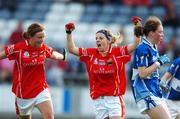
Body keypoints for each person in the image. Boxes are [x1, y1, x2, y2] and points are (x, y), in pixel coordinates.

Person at [65, 21, 141, 119]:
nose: (97, 40)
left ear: (109, 40)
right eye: (96, 38)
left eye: (101, 38)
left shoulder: (117, 52)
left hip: (114, 99)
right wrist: (68, 33)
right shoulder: (91, 53)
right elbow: (71, 49)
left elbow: (135, 44)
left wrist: (137, 27)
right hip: (98, 100)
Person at [0, 23, 66, 119]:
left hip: (40, 88)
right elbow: (2, 54)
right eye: (39, 37)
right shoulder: (18, 48)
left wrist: (63, 56)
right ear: (30, 37)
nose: (42, 40)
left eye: (43, 37)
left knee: (49, 116)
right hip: (23, 93)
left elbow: (53, 54)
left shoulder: (43, 48)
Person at [131, 16, 172, 119]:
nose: (162, 35)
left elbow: (152, 73)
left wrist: (160, 83)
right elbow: (142, 74)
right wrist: (158, 62)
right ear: (151, 33)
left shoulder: (153, 47)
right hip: (144, 91)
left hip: (154, 90)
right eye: (160, 32)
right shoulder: (143, 48)